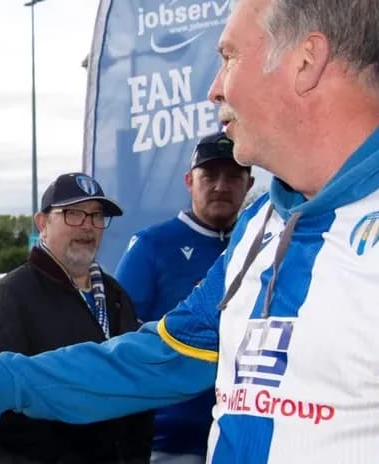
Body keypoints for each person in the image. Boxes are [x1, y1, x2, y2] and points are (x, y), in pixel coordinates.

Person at [0, 0, 379, 462]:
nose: (215, 88)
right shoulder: (263, 220)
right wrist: (2, 383)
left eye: (229, 57)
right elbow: (166, 356)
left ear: (306, 61)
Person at [0, 172, 154, 463]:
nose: (87, 226)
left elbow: (139, 385)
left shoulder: (117, 296)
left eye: (96, 216)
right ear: (42, 223)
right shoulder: (11, 296)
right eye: (73, 214)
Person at [115, 133, 252, 463]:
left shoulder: (260, 243)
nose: (221, 186)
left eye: (233, 176)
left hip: (246, 435)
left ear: (249, 184)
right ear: (190, 182)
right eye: (209, 176)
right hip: (171, 440)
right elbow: (122, 338)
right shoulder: (152, 245)